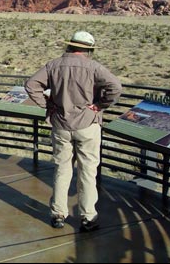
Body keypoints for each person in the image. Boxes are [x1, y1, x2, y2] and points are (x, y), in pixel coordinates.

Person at [24, 31, 122, 232]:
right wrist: (99, 105)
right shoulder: (93, 67)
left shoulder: (54, 65)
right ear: (88, 49)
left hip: (60, 124)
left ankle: (58, 214)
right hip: (87, 125)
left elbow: (31, 85)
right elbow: (115, 87)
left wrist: (48, 105)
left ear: (69, 46)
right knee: (87, 171)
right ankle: (88, 217)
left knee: (62, 169)